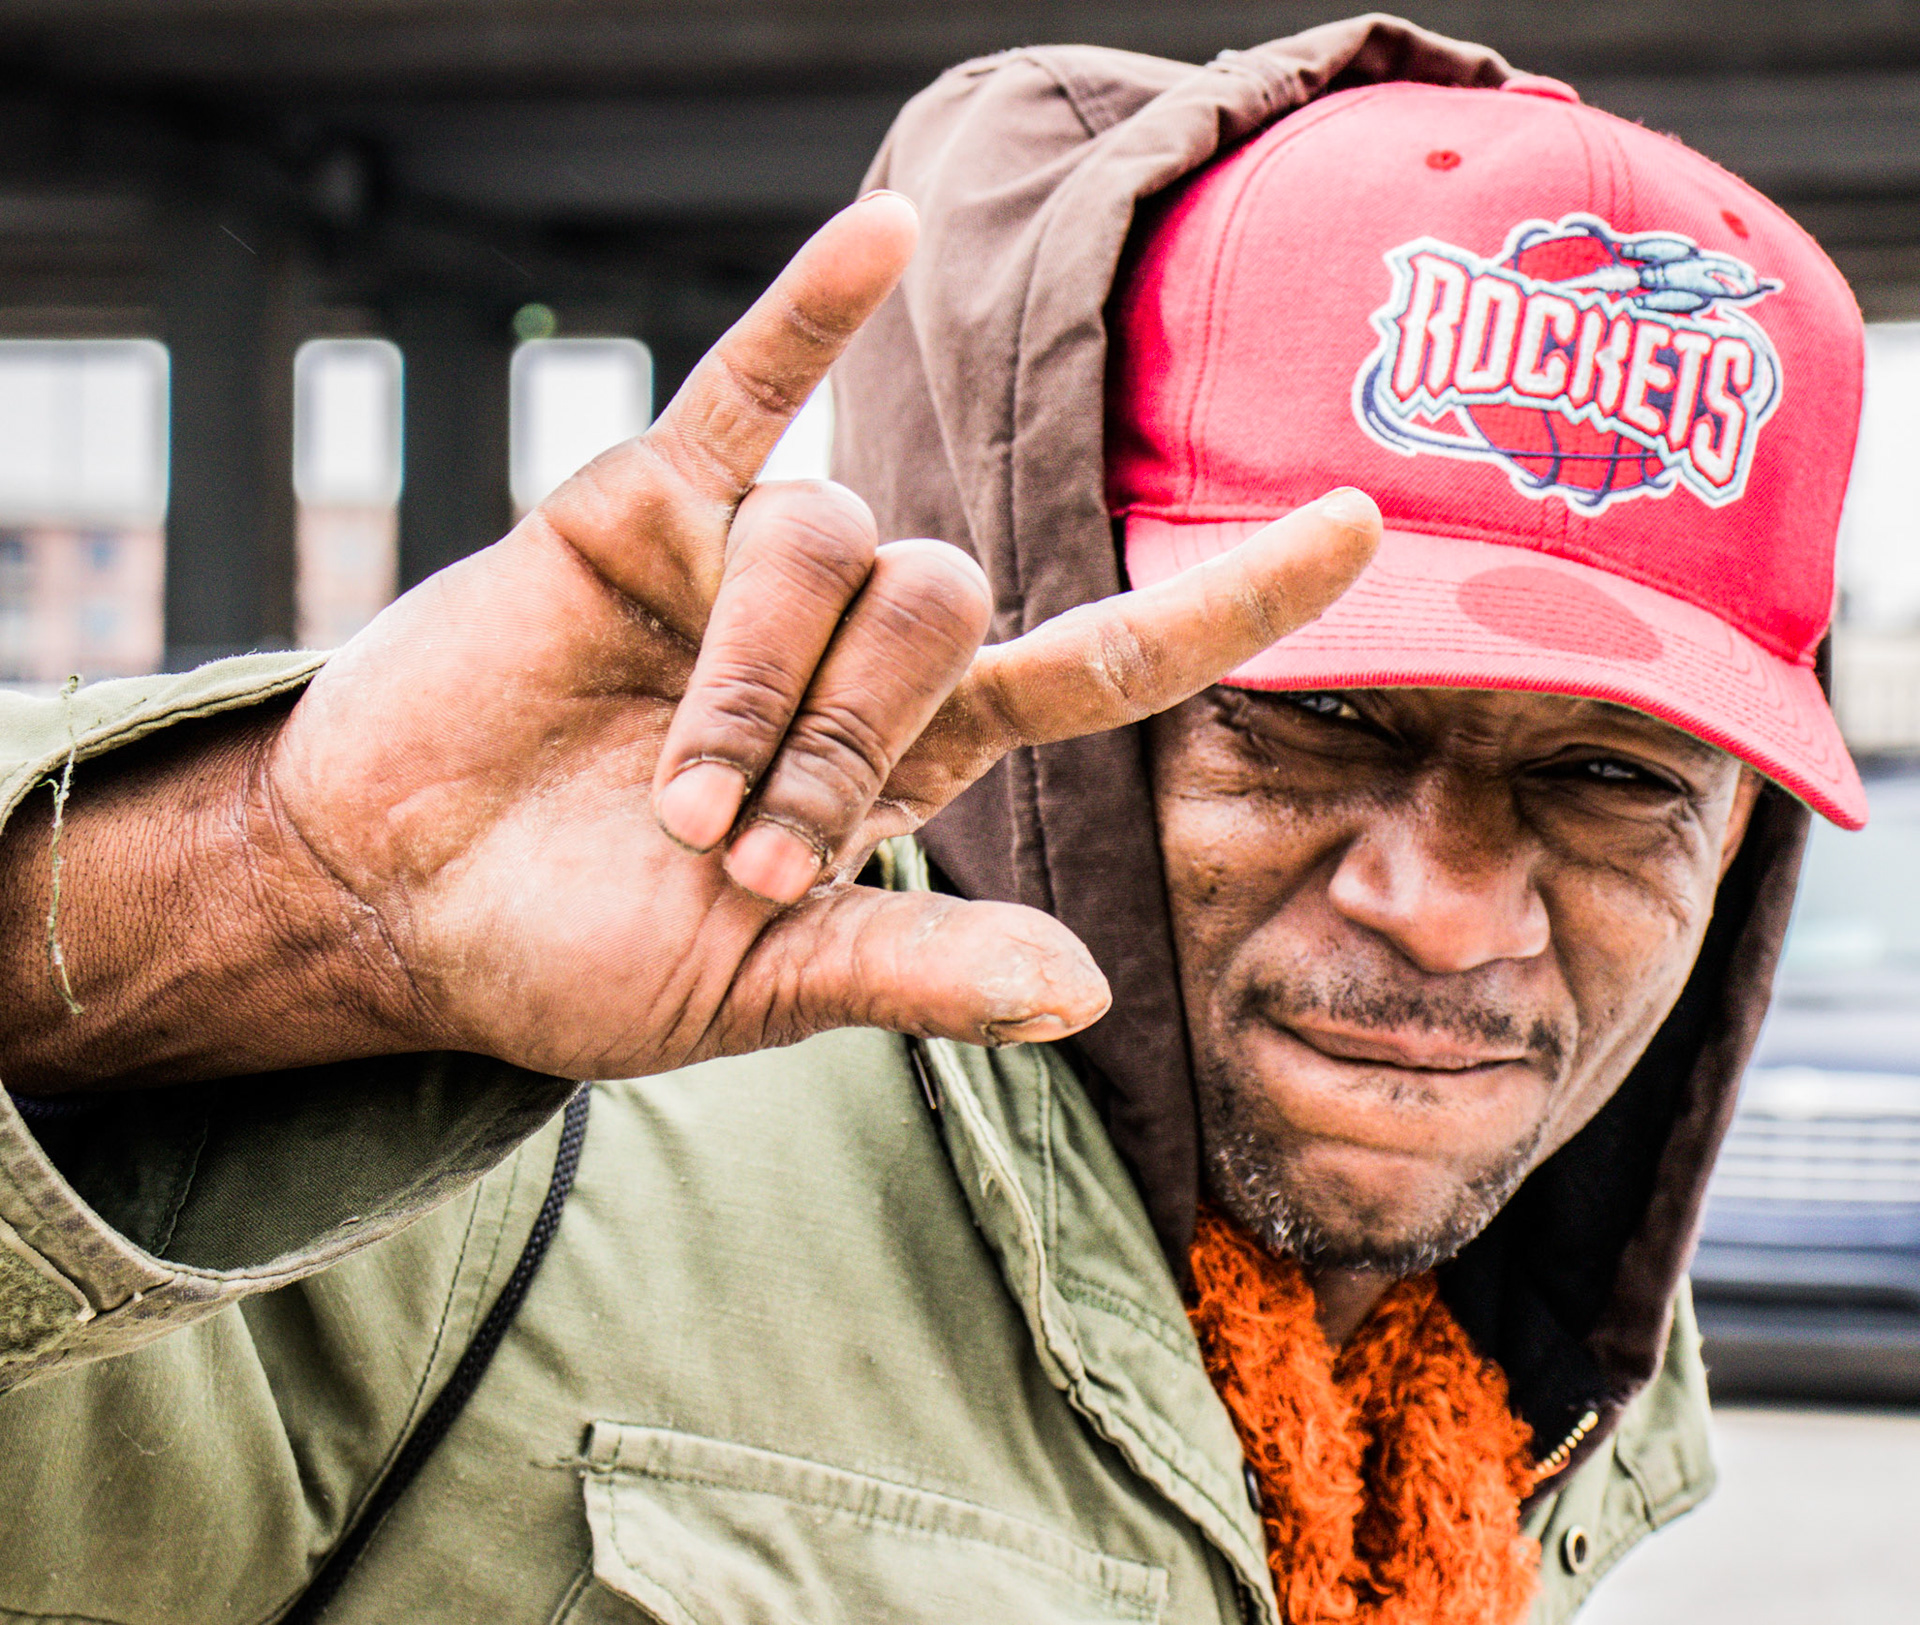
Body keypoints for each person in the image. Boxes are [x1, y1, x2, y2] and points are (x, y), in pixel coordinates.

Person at [0, 16, 1866, 1625]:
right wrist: (276, 888)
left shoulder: (1530, 1381)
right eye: (1312, 720)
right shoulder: (500, 1161)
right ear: (1064, 675)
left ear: (1740, 842)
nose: (1445, 908)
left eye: (1613, 778)